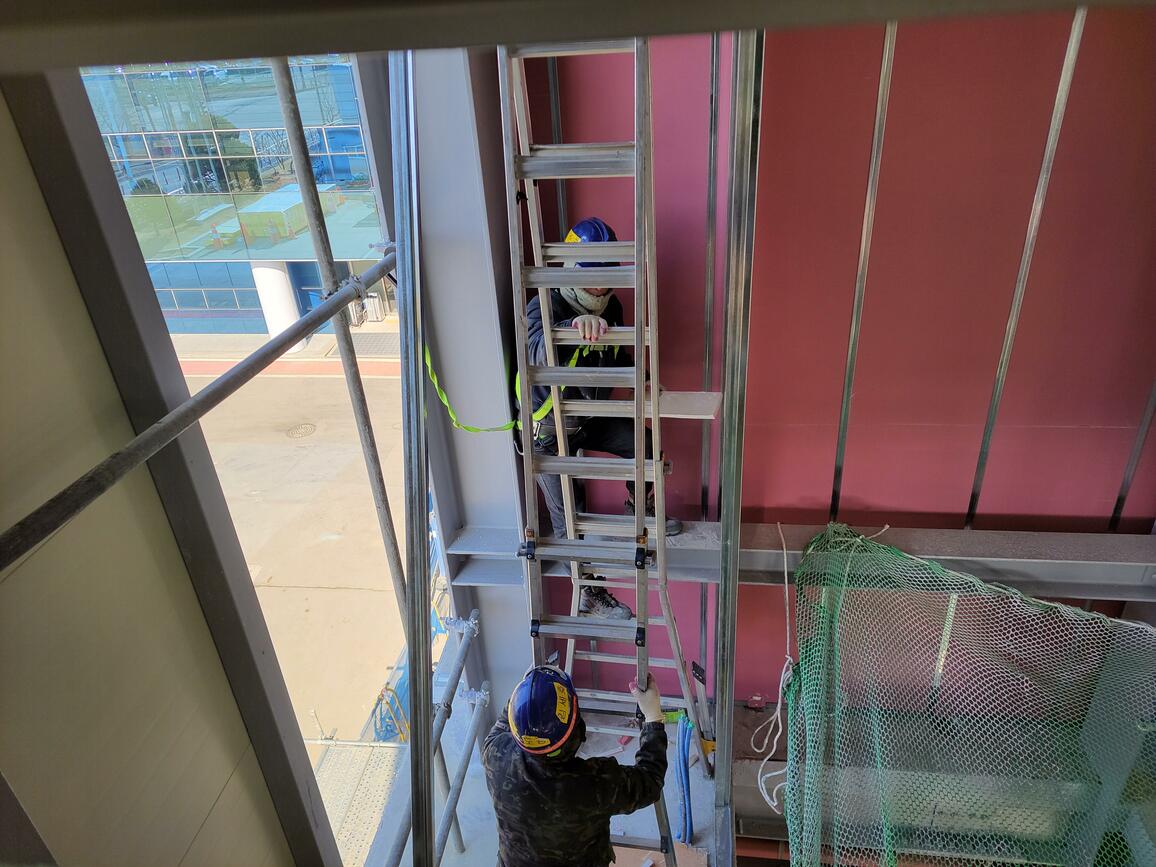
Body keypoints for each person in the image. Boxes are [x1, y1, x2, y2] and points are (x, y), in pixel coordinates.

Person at [519, 217, 681, 618]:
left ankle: (639, 509)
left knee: (644, 445)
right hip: (549, 432)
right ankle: (590, 591)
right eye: (592, 281)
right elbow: (537, 350)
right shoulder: (545, 302)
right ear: (572, 272)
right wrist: (570, 329)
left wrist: (641, 377)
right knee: (569, 516)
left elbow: (616, 353)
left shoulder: (613, 305)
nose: (599, 290)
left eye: (605, 280)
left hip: (590, 417)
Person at [483, 665, 668, 867]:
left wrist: (528, 694)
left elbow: (505, 723)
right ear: (576, 731)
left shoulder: (496, 756)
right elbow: (650, 780)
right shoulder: (594, 785)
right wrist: (653, 717)